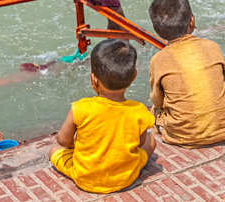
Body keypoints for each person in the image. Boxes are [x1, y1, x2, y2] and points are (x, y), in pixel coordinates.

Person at [49, 39, 156, 194]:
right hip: (126, 177)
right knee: (151, 141)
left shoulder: (80, 107)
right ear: (134, 76)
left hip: (85, 178)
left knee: (53, 150)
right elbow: (140, 143)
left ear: (94, 78)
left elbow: (63, 141)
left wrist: (76, 144)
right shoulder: (139, 110)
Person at [148, 0, 225, 148]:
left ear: (157, 30)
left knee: (154, 111)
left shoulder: (158, 60)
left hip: (185, 137)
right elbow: (220, 82)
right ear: (192, 21)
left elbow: (158, 99)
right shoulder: (212, 46)